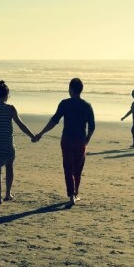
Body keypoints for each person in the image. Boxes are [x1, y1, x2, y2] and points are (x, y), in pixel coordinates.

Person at [34, 78, 95, 207]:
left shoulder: (65, 103)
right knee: (77, 169)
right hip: (80, 141)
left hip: (67, 140)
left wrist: (41, 133)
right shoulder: (87, 105)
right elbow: (92, 126)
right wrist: (87, 141)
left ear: (71, 89)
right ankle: (75, 193)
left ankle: (71, 195)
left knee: (68, 168)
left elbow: (54, 121)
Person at [0, 81, 35, 204]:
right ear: (7, 95)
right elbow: (20, 124)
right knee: (9, 167)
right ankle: (8, 193)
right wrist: (32, 136)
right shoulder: (10, 108)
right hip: (7, 143)